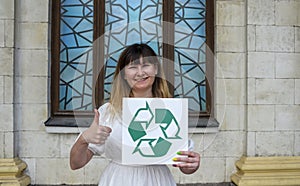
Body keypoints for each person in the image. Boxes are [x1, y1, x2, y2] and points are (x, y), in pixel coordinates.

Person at [70, 43, 200, 186]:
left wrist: (191, 165)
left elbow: (184, 164)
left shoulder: (170, 110)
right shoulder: (108, 112)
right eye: (133, 67)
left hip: (157, 180)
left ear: (155, 69)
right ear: (123, 74)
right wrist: (84, 139)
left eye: (146, 65)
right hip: (119, 180)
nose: (140, 73)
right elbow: (76, 164)